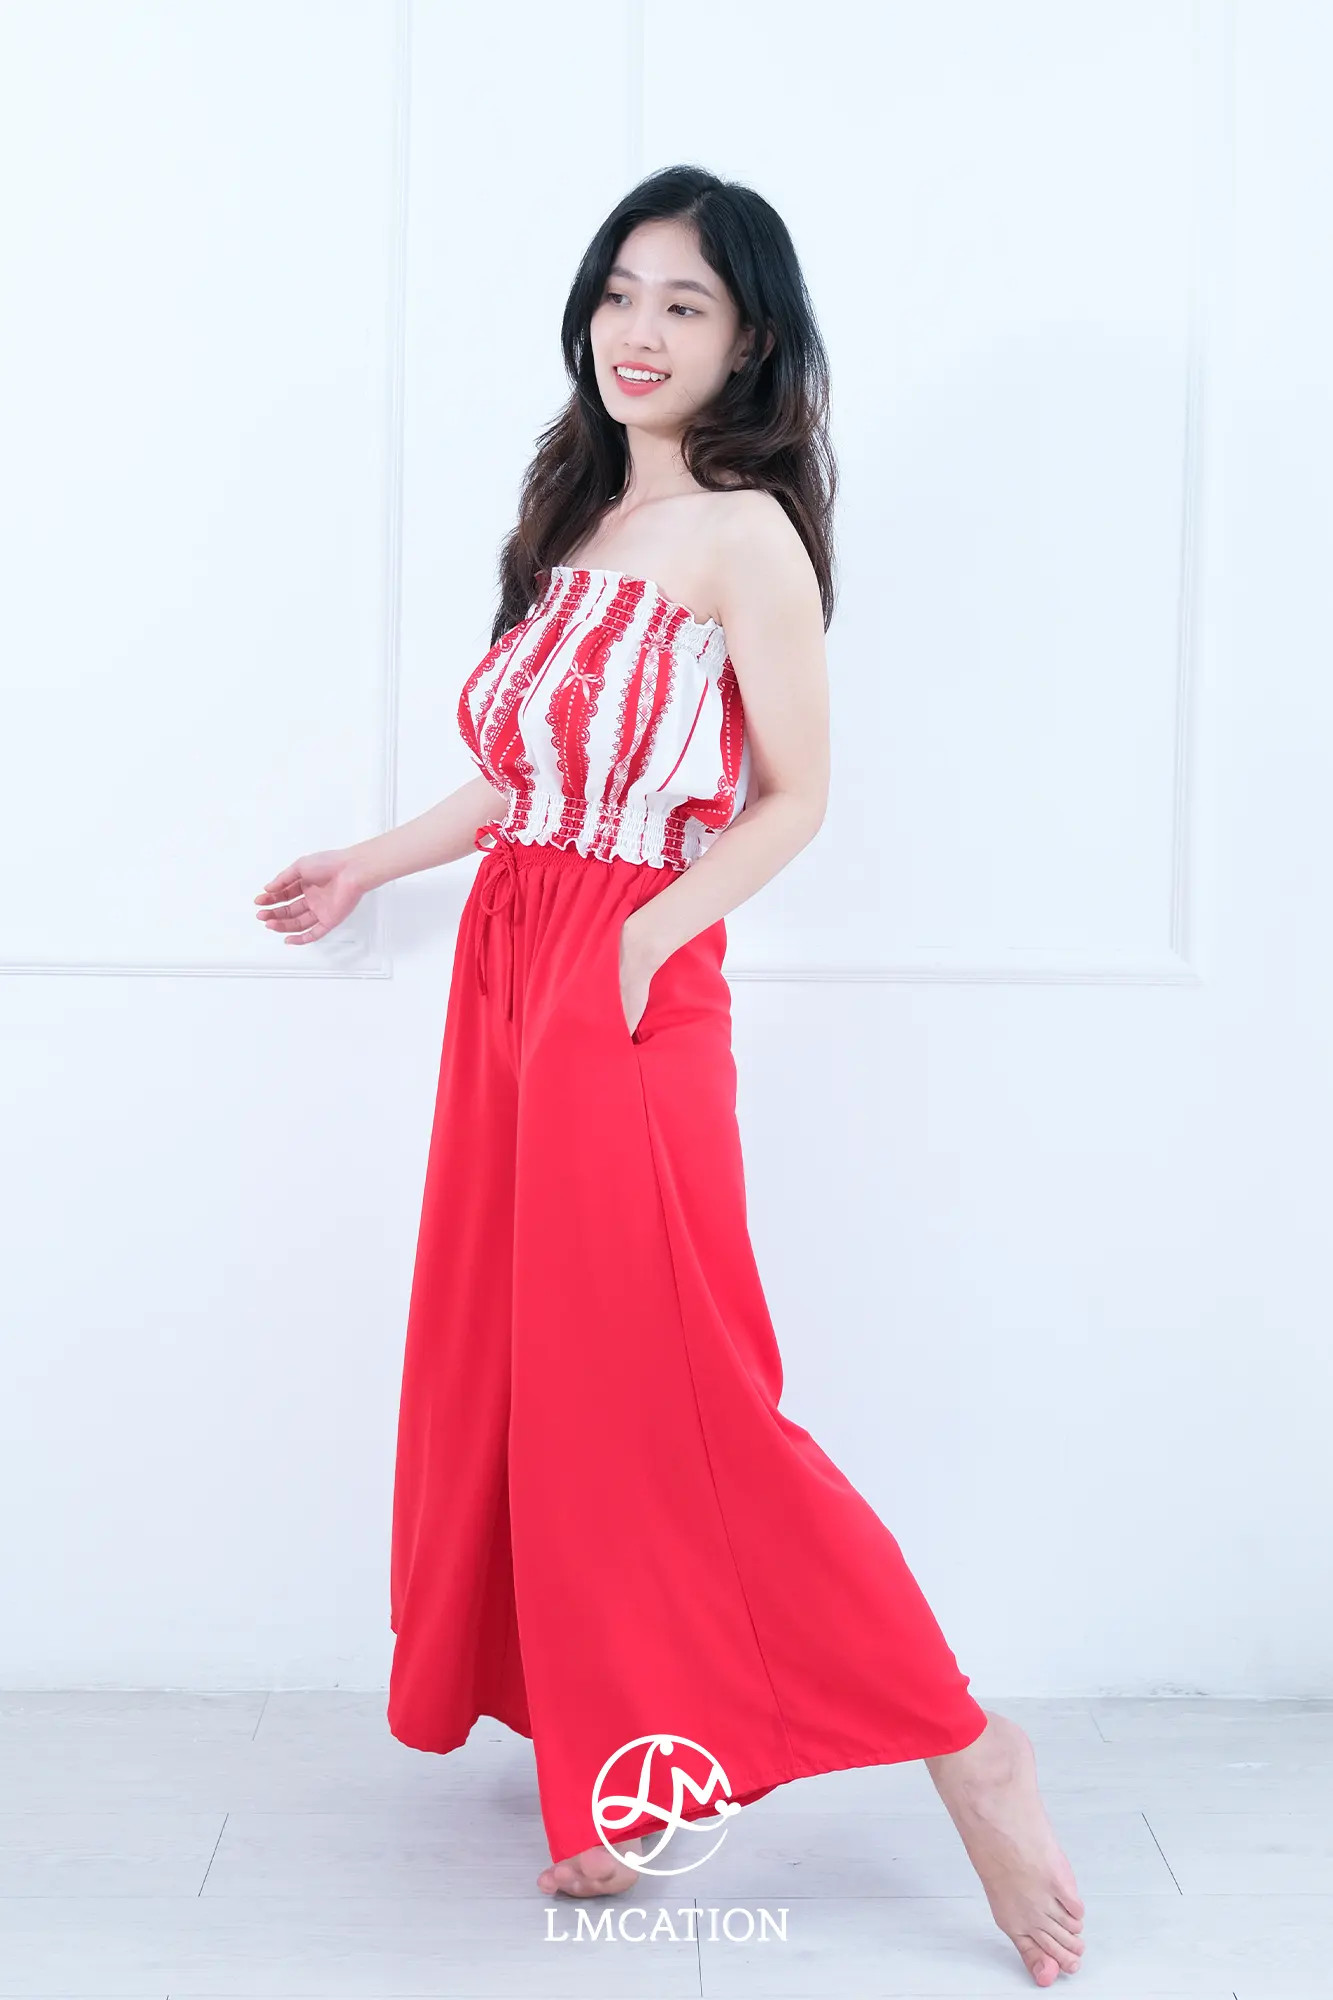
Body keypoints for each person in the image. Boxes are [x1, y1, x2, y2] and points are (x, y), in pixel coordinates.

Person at [253, 165, 1086, 1986]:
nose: (637, 331)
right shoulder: (581, 514)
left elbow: (792, 797)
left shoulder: (742, 534)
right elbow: (529, 777)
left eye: (683, 304)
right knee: (541, 1380)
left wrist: (636, 947)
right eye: (619, 293)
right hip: (512, 968)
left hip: (622, 979)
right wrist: (367, 865)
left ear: (748, 339)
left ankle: (967, 1747)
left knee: (684, 1393)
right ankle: (627, 1764)